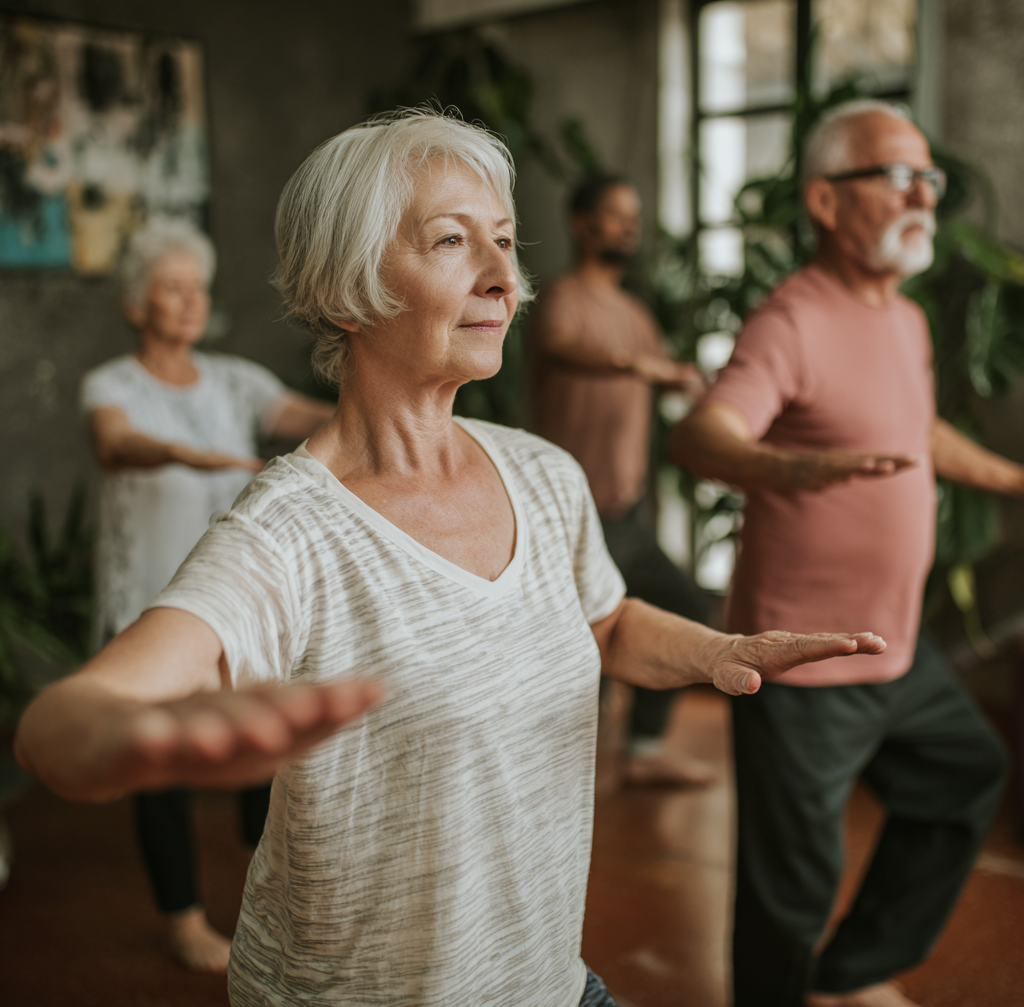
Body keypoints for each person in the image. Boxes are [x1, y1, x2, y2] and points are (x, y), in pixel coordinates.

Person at [17, 108, 885, 1007]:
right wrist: (125, 740)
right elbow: (63, 724)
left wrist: (717, 651)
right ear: (350, 287)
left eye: (506, 243)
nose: (505, 279)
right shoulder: (289, 532)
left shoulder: (544, 474)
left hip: (553, 983)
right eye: (452, 241)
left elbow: (607, 621)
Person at [672, 100, 1016, 1007]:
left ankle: (852, 974)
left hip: (895, 647)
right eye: (896, 176)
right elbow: (704, 436)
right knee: (790, 889)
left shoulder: (903, 319)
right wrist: (786, 466)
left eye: (928, 178)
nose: (923, 195)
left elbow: (918, 429)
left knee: (964, 774)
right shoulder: (792, 321)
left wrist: (1015, 480)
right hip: (802, 660)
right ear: (825, 201)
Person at [80, 218, 335, 972]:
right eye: (171, 288)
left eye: (198, 288)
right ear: (136, 304)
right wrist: (184, 454)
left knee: (263, 753)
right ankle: (183, 920)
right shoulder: (113, 385)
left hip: (236, 603)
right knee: (158, 768)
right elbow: (112, 442)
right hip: (148, 604)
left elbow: (312, 415)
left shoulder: (235, 379)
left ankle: (272, 892)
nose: (191, 302)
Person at [530, 174, 714, 786]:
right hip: (564, 516)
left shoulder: (636, 315)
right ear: (580, 224)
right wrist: (635, 365)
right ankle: (556, 770)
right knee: (574, 645)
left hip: (627, 513)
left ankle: (642, 750)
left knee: (681, 607)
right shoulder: (560, 298)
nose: (628, 226)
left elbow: (670, 387)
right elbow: (559, 347)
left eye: (633, 215)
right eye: (614, 214)